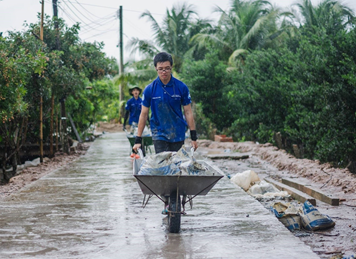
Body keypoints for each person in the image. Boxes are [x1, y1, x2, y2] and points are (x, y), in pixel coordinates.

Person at [132, 52, 198, 154]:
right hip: (159, 133)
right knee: (163, 165)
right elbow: (144, 114)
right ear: (156, 68)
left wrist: (193, 137)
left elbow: (188, 112)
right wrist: (138, 139)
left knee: (176, 165)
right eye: (161, 69)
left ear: (171, 67)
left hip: (178, 133)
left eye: (167, 68)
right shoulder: (150, 89)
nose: (164, 71)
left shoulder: (181, 87)